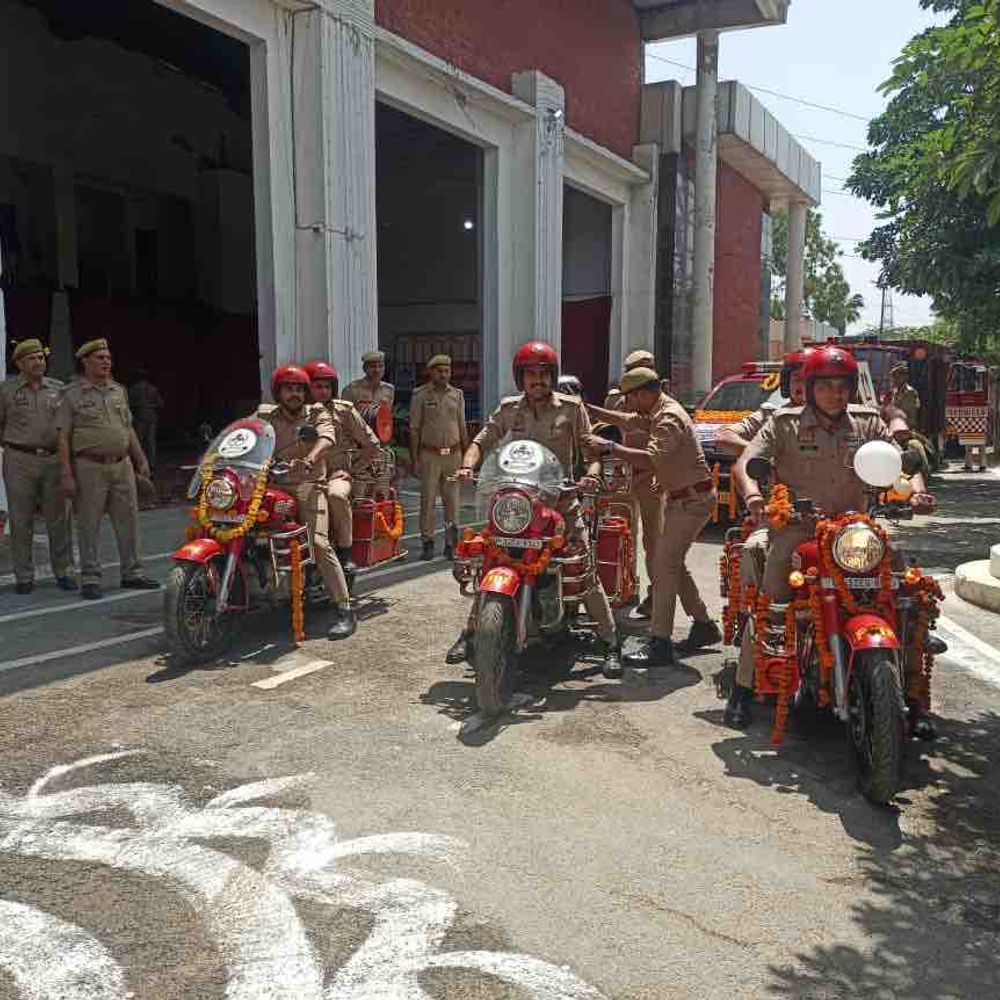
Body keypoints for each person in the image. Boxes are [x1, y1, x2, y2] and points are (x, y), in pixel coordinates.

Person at [728, 345, 934, 729]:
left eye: (842, 386)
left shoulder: (867, 423)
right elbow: (748, 462)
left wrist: (917, 493)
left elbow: (899, 463)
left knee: (904, 596)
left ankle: (912, 699)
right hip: (798, 528)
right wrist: (754, 498)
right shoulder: (784, 424)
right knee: (772, 602)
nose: (835, 394)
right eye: (825, 386)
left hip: (856, 529)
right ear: (810, 387)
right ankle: (742, 688)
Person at [447, 340, 623, 678]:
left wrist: (591, 475)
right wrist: (468, 466)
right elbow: (482, 440)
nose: (537, 380)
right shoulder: (509, 408)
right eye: (530, 374)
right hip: (517, 505)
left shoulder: (571, 408)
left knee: (582, 570)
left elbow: (591, 452)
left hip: (561, 503)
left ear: (552, 377)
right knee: (490, 560)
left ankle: (610, 642)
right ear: (521, 377)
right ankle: (470, 633)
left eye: (543, 374)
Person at [586, 368, 721, 666]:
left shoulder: (668, 416)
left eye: (630, 397)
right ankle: (703, 625)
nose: (627, 404)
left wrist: (609, 447)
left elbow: (651, 459)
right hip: (683, 498)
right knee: (672, 563)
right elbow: (629, 421)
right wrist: (590, 410)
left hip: (691, 500)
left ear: (644, 393)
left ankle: (660, 643)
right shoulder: (657, 409)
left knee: (663, 565)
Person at [56, 339, 159, 600]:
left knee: (129, 520)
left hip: (122, 465)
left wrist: (140, 458)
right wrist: (66, 473)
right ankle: (91, 577)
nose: (106, 362)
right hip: (89, 466)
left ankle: (132, 572)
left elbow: (128, 427)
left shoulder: (118, 391)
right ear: (86, 362)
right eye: (100, 358)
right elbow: (63, 437)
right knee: (89, 523)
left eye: (108, 358)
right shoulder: (71, 395)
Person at [264, 365, 355, 639]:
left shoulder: (316, 413)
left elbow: (327, 438)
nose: (294, 394)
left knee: (317, 542)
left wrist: (310, 459)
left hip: (309, 486)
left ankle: (344, 609)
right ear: (278, 392)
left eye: (299, 389)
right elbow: (248, 436)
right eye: (288, 389)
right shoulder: (266, 416)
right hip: (274, 487)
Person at [0, 338, 75, 593]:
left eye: (41, 357)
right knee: (21, 519)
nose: (38, 362)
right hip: (19, 459)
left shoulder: (58, 389)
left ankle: (64, 571)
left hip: (53, 459)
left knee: (60, 518)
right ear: (20, 363)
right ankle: (24, 576)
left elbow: (67, 426)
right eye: (31, 358)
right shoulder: (6, 391)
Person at [597, 348, 662, 619]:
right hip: (622, 476)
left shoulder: (660, 401)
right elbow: (606, 429)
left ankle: (656, 596)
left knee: (654, 541)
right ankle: (624, 587)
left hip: (651, 476)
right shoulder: (616, 399)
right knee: (622, 535)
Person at [304, 359, 379, 578]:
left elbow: (372, 445)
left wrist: (351, 471)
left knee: (336, 495)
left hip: (335, 476)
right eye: (317, 386)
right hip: (304, 476)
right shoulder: (298, 412)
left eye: (327, 387)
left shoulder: (344, 411)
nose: (323, 391)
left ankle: (346, 553)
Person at [409, 354, 468, 561]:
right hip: (429, 455)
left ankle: (451, 544)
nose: (443, 375)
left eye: (446, 371)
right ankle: (428, 542)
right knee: (428, 502)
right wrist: (415, 458)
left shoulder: (457, 395)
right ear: (431, 372)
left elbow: (462, 426)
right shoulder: (420, 395)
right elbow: (414, 428)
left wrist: (467, 458)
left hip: (453, 454)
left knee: (452, 502)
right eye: (439, 371)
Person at [127, 368, 164, 471]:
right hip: (151, 416)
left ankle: (139, 462)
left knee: (138, 441)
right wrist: (152, 406)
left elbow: (129, 404)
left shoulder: (133, 389)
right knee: (151, 442)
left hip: (139, 416)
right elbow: (160, 404)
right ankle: (152, 463)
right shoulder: (153, 389)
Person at [888, 362, 921, 429]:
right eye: (895, 376)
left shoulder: (910, 392)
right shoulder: (895, 392)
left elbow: (911, 417)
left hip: (907, 427)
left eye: (899, 376)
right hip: (896, 425)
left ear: (905, 377)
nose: (896, 379)